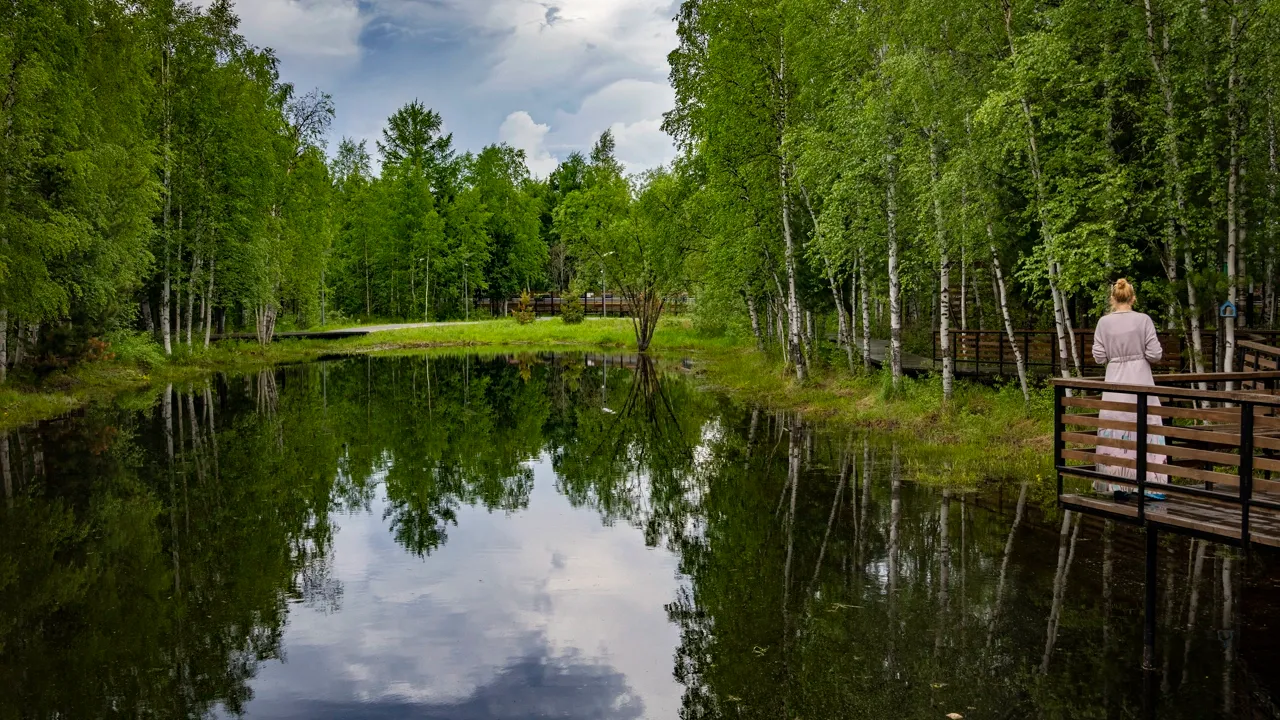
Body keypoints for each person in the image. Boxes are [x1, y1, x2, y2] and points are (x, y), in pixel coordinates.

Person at [1091, 279, 1168, 496]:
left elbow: (1099, 357)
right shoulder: (1143, 320)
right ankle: (1150, 485)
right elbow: (1155, 354)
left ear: (1112, 299)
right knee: (1145, 424)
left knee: (1116, 425)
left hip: (1115, 380)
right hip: (1140, 379)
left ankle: (1118, 483)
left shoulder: (1103, 323)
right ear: (1133, 298)